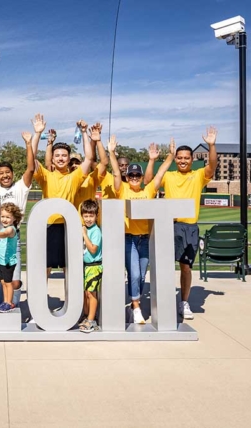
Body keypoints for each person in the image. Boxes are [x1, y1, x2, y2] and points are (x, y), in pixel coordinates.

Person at [109, 135, 176, 324]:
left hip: (145, 238)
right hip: (128, 238)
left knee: (142, 274)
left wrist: (170, 156)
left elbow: (161, 174)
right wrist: (112, 152)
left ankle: (133, 304)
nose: (135, 178)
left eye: (138, 175)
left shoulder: (148, 191)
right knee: (135, 274)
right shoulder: (121, 189)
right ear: (127, 177)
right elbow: (115, 172)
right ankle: (136, 306)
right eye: (131, 175)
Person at [161, 126, 218, 320]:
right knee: (165, 266)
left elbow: (212, 166)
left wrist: (211, 145)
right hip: (170, 226)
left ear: (192, 160)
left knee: (186, 267)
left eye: (187, 158)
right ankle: (165, 300)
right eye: (180, 157)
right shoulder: (169, 176)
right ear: (176, 159)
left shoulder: (198, 175)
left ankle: (183, 302)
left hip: (190, 227)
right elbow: (150, 179)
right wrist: (166, 157)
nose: (183, 160)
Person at [32, 119, 95, 276]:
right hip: (49, 226)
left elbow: (88, 158)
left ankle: (72, 299)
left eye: (64, 156)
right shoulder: (46, 175)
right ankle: (41, 299)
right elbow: (31, 159)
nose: (61, 158)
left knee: (70, 267)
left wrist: (84, 133)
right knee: (45, 267)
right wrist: (38, 133)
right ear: (52, 158)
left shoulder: (75, 176)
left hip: (69, 226)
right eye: (57, 155)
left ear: (68, 159)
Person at [0, 115, 40, 308]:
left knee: (15, 280)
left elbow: (29, 168)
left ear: (12, 173)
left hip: (13, 238)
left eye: (7, 172)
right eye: (1, 173)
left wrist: (29, 144)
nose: (4, 175)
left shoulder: (20, 187)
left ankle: (13, 307)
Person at [0, 203, 24, 313]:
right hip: (2, 262)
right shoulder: (3, 228)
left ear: (14, 218)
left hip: (8, 262)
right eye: (2, 216)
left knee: (8, 283)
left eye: (8, 217)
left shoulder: (11, 229)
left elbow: (5, 234)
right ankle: (5, 301)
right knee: (3, 282)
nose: (4, 219)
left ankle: (9, 303)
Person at [79, 199, 102, 333]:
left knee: (92, 294)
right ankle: (87, 317)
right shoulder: (86, 228)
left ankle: (91, 320)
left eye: (91, 216)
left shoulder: (95, 231)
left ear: (96, 216)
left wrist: (84, 235)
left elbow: (93, 249)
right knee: (86, 293)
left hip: (94, 266)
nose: (88, 219)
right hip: (85, 265)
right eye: (86, 216)